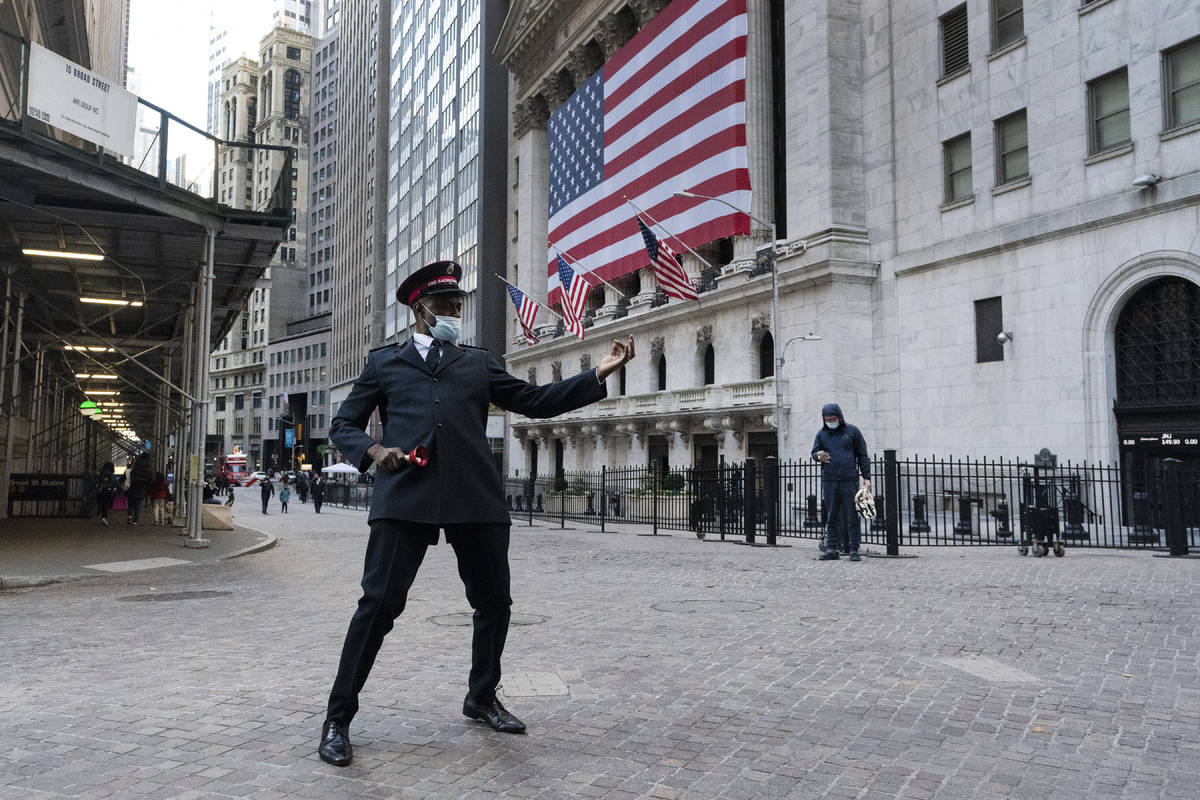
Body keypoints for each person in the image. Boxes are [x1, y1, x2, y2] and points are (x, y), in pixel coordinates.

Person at [317, 260, 635, 768]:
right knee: (377, 607)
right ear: (419, 310)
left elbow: (534, 401)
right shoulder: (384, 363)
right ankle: (338, 718)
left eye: (458, 306)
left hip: (475, 499)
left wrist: (597, 373)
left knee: (494, 604)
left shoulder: (477, 362)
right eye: (445, 306)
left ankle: (481, 697)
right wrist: (376, 454)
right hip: (405, 497)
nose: (454, 313)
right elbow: (344, 423)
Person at [812, 403, 871, 561]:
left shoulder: (852, 431)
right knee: (831, 515)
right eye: (827, 419)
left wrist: (866, 478)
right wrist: (818, 456)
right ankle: (832, 548)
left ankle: (853, 549)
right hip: (830, 479)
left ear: (839, 417)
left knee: (852, 514)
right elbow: (814, 452)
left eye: (833, 418)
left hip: (849, 479)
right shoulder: (821, 434)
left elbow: (862, 455)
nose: (830, 421)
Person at [125, 453, 152, 526]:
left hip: (132, 486)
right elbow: (150, 478)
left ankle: (130, 515)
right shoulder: (148, 466)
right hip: (141, 487)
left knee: (130, 503)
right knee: (137, 505)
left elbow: (131, 474)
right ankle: (135, 521)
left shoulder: (136, 464)